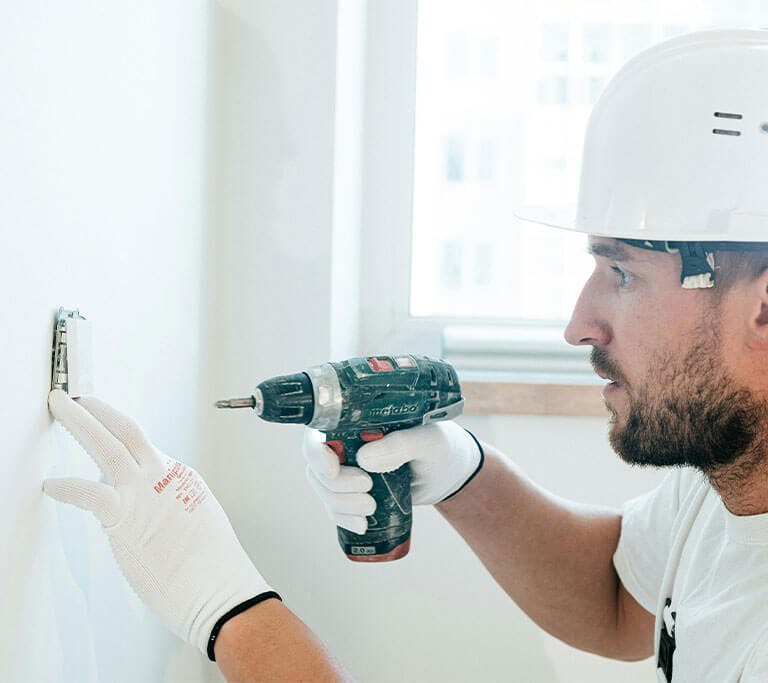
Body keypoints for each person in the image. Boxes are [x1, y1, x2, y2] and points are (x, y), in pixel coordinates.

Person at [45, 28, 768, 683]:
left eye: (623, 273)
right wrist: (463, 472)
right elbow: (619, 598)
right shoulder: (730, 471)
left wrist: (227, 607)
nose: (579, 325)